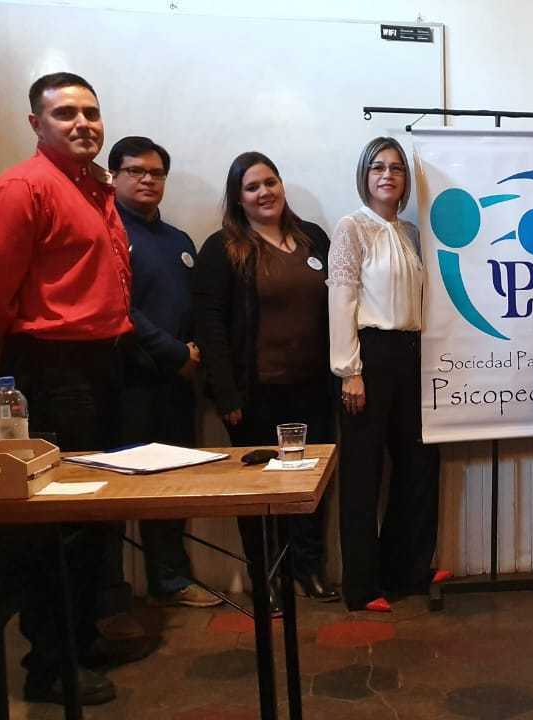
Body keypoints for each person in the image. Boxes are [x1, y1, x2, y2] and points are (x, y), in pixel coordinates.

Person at [0, 71, 146, 704]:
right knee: (56, 519)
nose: (82, 123)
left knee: (95, 513)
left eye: (91, 111)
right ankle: (50, 666)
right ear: (36, 124)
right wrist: (11, 351)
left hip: (102, 365)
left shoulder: (94, 189)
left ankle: (81, 638)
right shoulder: (22, 188)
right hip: (51, 369)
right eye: (65, 114)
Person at [194, 151, 339, 612]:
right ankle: (267, 577)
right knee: (259, 491)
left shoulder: (313, 238)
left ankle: (307, 568)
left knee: (310, 484)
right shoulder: (222, 248)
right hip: (254, 394)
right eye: (252, 187)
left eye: (270, 182)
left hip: (313, 388)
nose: (264, 193)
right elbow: (211, 326)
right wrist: (226, 393)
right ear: (238, 198)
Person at [328, 137, 447, 613]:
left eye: (396, 168)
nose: (387, 175)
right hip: (369, 356)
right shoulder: (352, 228)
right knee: (363, 473)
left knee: (419, 463)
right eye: (378, 167)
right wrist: (349, 371)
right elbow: (342, 300)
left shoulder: (412, 233)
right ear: (365, 174)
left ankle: (409, 569)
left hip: (412, 353)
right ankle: (362, 585)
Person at [110, 135, 220, 609]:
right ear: (113, 175)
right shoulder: (107, 231)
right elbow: (119, 308)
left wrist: (192, 354)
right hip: (127, 383)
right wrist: (175, 352)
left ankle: (171, 580)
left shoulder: (179, 241)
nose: (147, 180)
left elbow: (195, 308)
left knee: (173, 482)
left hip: (177, 383)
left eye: (156, 173)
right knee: (119, 490)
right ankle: (110, 595)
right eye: (135, 171)